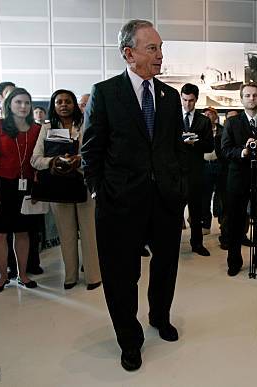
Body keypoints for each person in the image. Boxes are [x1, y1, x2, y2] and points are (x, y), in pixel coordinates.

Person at [81, 19, 187, 371]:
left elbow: (174, 150)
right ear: (129, 53)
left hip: (165, 201)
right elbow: (91, 151)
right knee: (121, 274)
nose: (160, 56)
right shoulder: (106, 93)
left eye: (161, 48)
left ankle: (160, 315)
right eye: (152, 48)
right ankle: (129, 339)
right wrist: (100, 192)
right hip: (119, 203)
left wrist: (178, 187)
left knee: (165, 266)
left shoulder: (169, 97)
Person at [31, 89, 101, 290]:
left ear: (74, 104)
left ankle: (93, 276)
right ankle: (70, 276)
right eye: (59, 101)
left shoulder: (86, 125)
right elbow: (35, 159)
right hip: (57, 186)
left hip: (83, 184)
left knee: (89, 233)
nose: (63, 105)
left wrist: (78, 160)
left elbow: (96, 154)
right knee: (66, 234)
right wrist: (53, 161)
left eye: (68, 101)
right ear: (53, 105)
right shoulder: (46, 129)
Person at [0, 87, 41, 294]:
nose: (23, 106)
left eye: (27, 103)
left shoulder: (37, 129)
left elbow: (37, 159)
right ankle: (3, 276)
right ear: (9, 105)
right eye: (18, 102)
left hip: (25, 186)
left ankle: (22, 275)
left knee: (22, 232)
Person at [221, 83, 257, 276]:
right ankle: (234, 262)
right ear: (241, 99)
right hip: (237, 179)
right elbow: (225, 150)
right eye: (247, 95)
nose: (251, 98)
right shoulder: (232, 123)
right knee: (235, 222)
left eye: (255, 95)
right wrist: (242, 152)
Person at [180, 83, 213, 256]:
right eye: (184, 100)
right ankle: (171, 244)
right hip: (176, 172)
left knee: (196, 210)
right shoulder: (173, 118)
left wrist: (196, 142)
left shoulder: (204, 120)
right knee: (173, 210)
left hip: (195, 171)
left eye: (191, 101)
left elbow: (209, 146)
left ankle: (197, 243)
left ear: (196, 100)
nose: (187, 104)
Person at [201, 107, 228, 247]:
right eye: (205, 113)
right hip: (205, 165)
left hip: (220, 165)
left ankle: (223, 225)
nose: (207, 115)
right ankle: (205, 224)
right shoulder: (200, 129)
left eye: (210, 113)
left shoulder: (223, 129)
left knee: (221, 197)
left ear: (215, 116)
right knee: (205, 196)